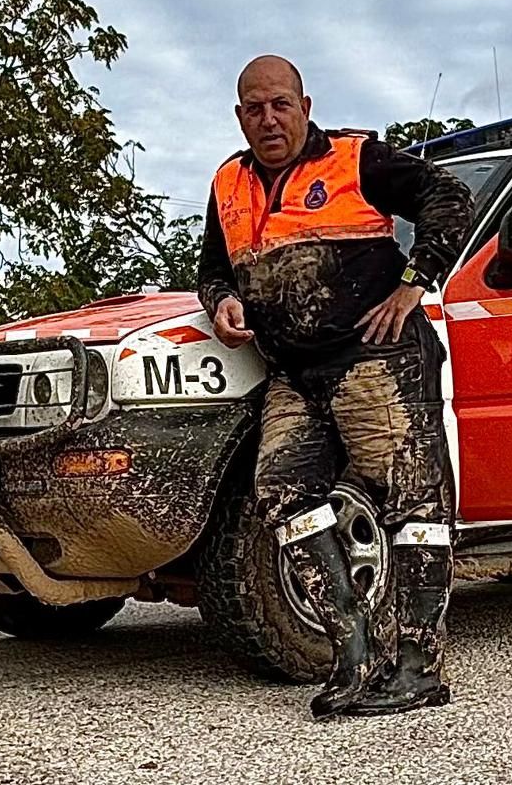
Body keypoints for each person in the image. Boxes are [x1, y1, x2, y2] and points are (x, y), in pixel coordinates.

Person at [196, 55, 473, 719]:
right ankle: (353, 655)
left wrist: (414, 283)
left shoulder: (357, 158)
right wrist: (222, 302)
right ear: (240, 116)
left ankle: (416, 668)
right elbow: (211, 270)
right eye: (255, 107)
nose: (269, 118)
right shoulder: (227, 184)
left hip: (374, 358)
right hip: (294, 372)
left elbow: (450, 197)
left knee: (412, 506)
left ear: (305, 105)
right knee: (284, 494)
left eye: (281, 104)